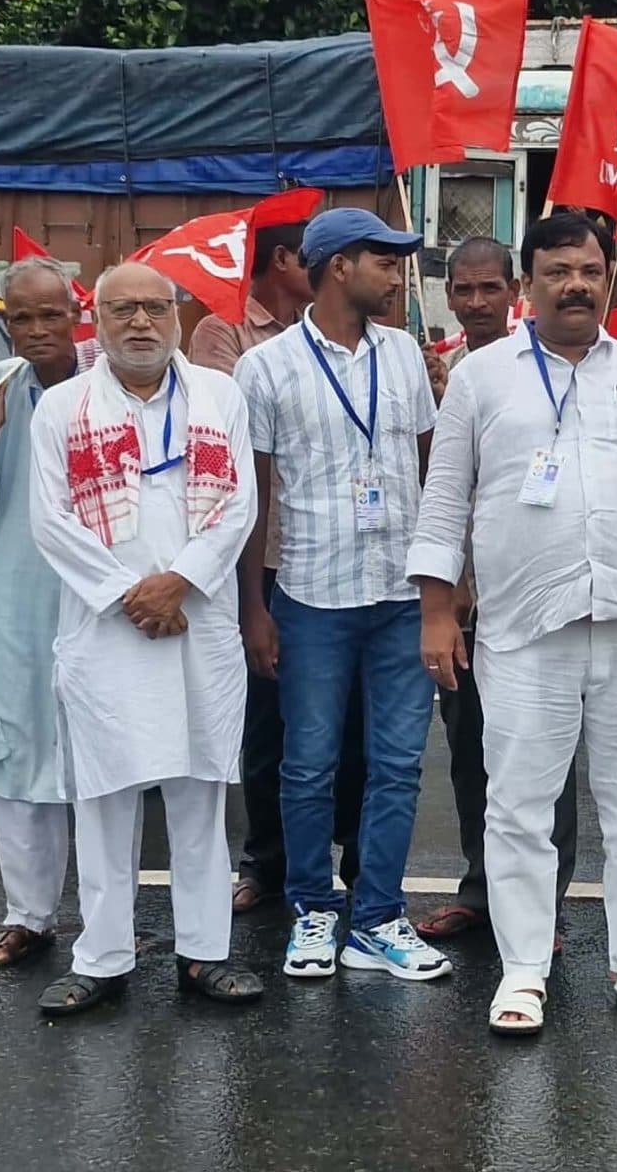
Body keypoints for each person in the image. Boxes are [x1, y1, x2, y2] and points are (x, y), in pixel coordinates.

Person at [409, 212, 617, 1034]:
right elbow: (444, 500)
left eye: (589, 270)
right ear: (529, 285)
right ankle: (522, 971)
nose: (576, 284)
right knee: (518, 804)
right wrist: (437, 611)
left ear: (608, 280)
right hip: (524, 628)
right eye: (557, 271)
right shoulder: (483, 378)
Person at [27, 262, 263, 1014]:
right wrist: (133, 595)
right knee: (105, 796)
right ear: (95, 319)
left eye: (154, 308)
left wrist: (180, 582)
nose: (139, 323)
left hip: (197, 618)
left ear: (177, 316)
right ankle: (101, 957)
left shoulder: (220, 395)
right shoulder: (62, 408)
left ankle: (205, 953)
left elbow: (239, 506)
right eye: (122, 309)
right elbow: (50, 520)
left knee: (200, 794)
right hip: (109, 628)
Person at [233, 208, 449, 983]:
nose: (396, 276)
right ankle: (312, 911)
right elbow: (252, 499)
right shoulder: (264, 368)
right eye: (383, 262)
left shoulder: (404, 356)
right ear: (336, 269)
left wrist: (441, 594)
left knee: (396, 765)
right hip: (310, 596)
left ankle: (379, 918)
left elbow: (435, 477)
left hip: (398, 596)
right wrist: (252, 608)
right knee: (308, 763)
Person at [191, 215, 366, 915]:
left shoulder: (351, 338)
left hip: (342, 552)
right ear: (289, 259)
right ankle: (267, 860)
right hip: (264, 558)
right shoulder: (225, 332)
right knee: (272, 721)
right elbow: (227, 431)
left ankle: (353, 857)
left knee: (349, 722)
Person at [411, 238, 582, 942]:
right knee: (472, 749)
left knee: (550, 753)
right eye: (464, 290)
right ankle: (481, 889)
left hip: (534, 591)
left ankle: (547, 896)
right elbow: (436, 488)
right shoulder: (428, 368)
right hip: (462, 599)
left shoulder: (541, 366)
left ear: (515, 290)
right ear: (447, 295)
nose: (476, 302)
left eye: (490, 289)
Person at [0, 260, 84, 968]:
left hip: (99, 601)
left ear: (74, 313)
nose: (36, 331)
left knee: (102, 762)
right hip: (18, 604)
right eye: (21, 318)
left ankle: (108, 918)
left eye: (49, 315)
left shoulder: (110, 380)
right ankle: (29, 916)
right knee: (18, 755)